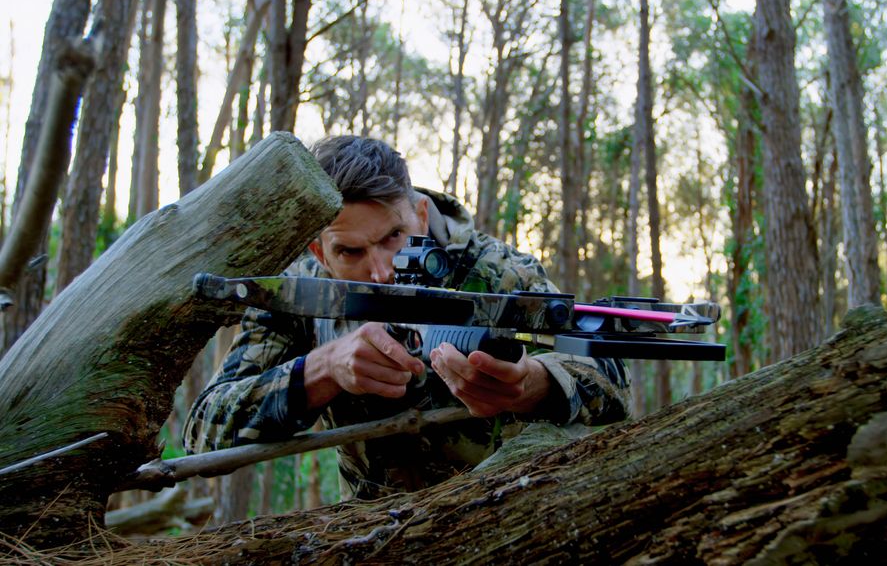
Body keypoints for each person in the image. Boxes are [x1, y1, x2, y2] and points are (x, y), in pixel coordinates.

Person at [184, 136, 630, 499]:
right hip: (379, 537)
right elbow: (204, 434)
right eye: (350, 251)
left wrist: (531, 384)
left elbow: (613, 379)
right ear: (319, 251)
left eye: (394, 237)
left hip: (514, 510)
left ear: (419, 214)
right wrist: (323, 369)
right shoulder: (299, 294)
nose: (380, 271)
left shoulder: (497, 270)